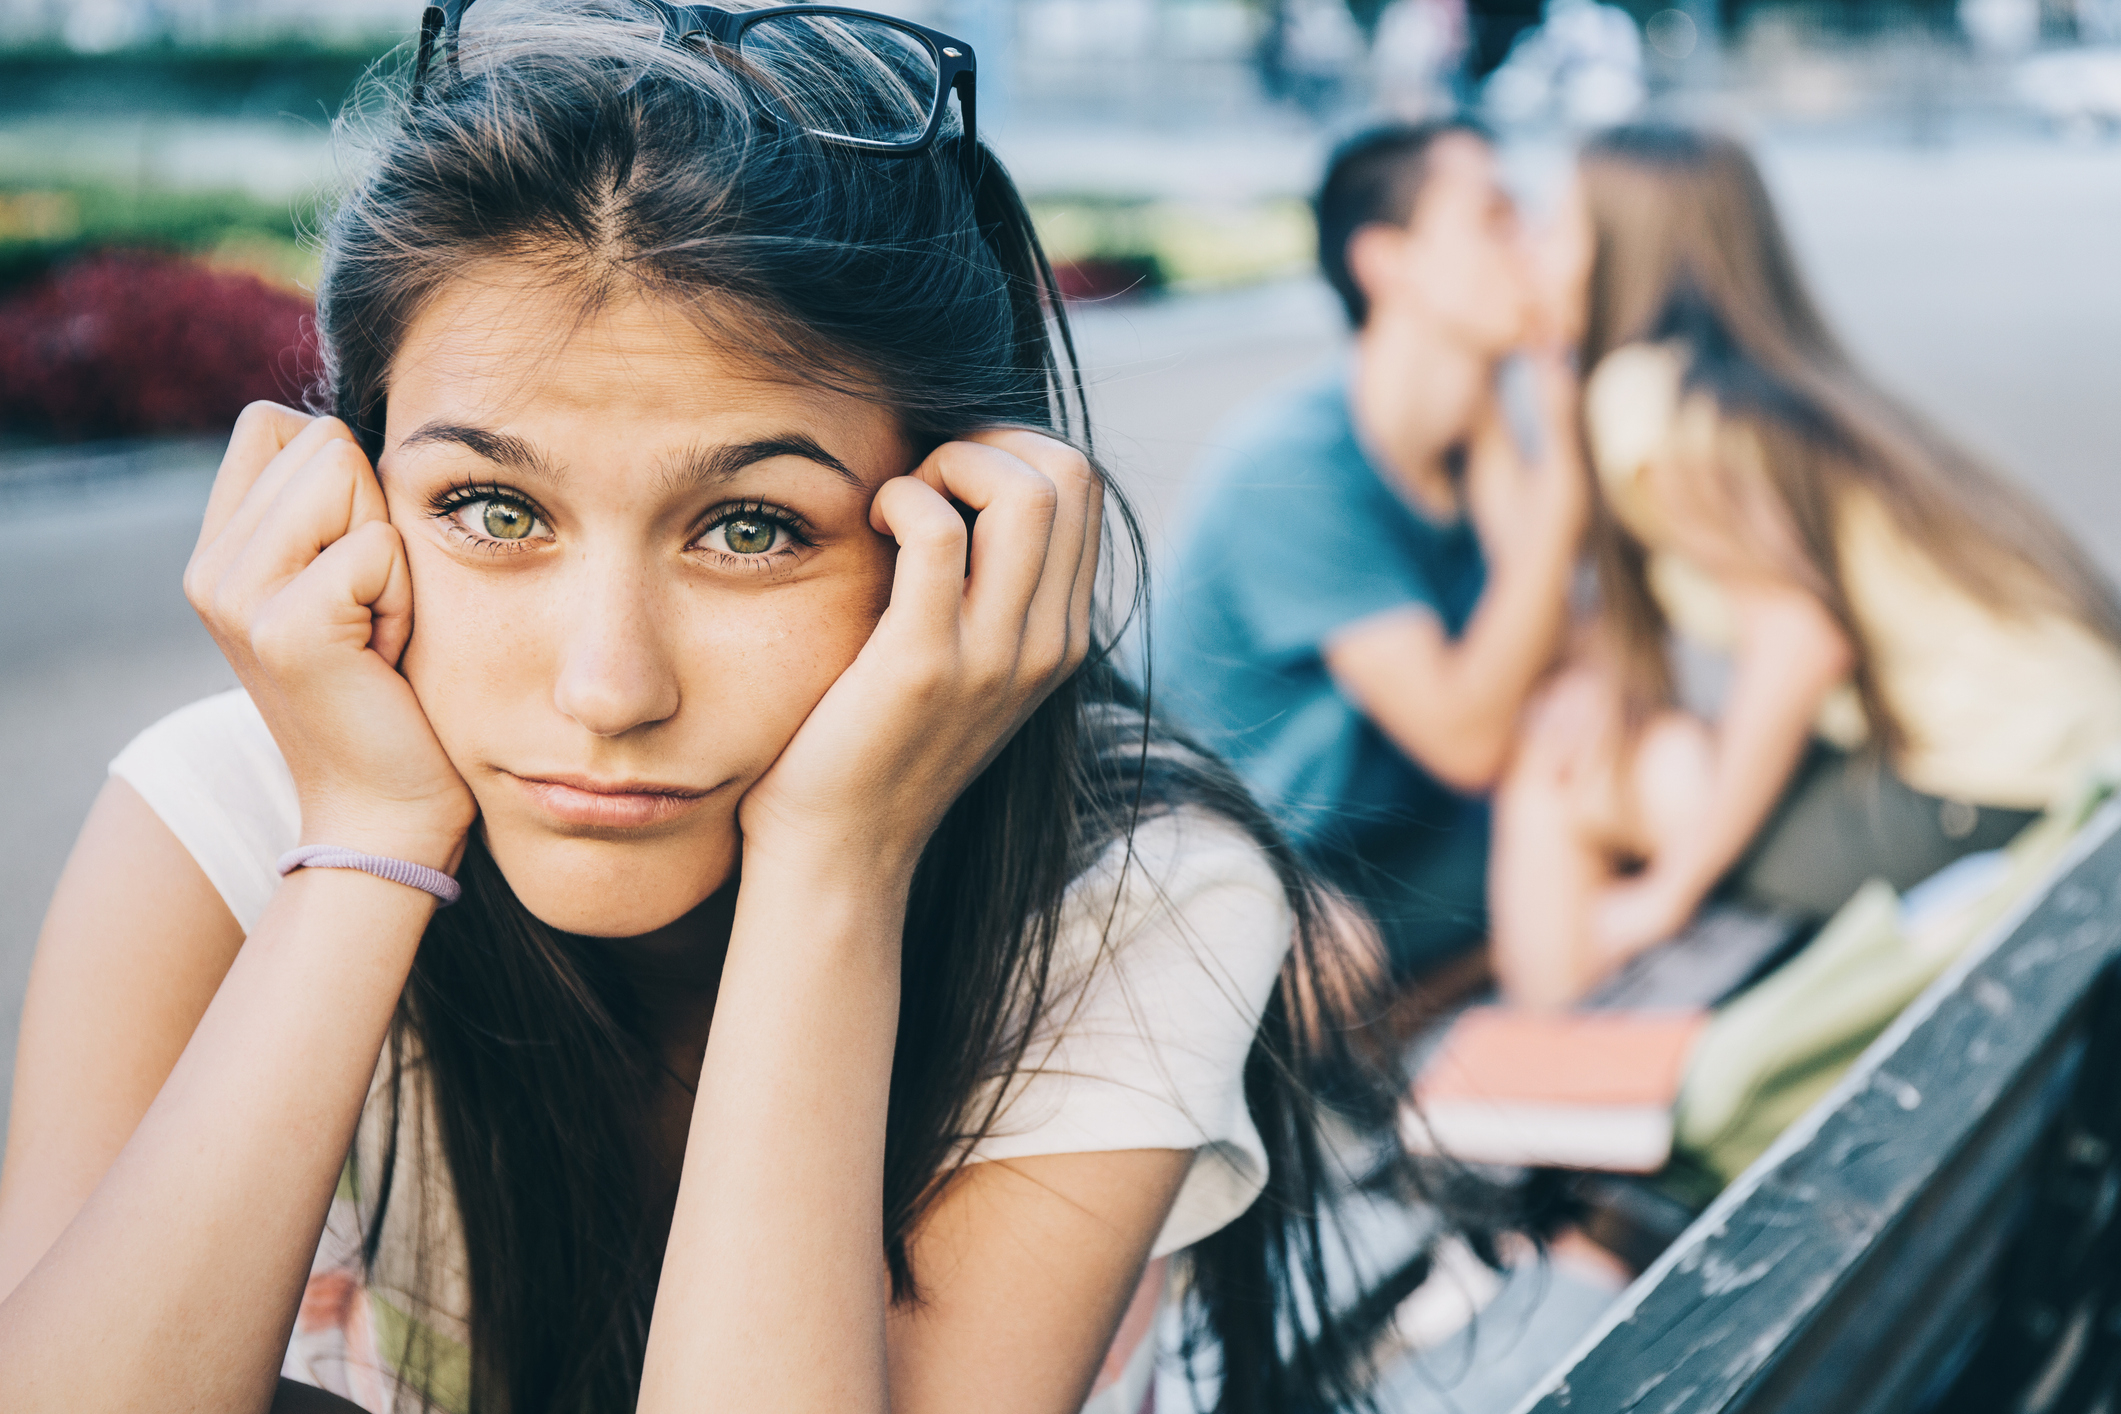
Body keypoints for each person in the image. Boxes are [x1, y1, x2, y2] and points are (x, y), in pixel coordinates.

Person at [0, 5, 1441, 1410]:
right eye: (492, 508)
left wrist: (838, 864)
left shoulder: (1126, 896)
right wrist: (368, 844)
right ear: (348, 499)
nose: (608, 687)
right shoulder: (221, 822)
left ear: (961, 533)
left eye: (750, 526)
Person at [1493, 124, 2121, 1009]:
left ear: (1623, 246)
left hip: (1997, 795)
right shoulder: (1766, 387)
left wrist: (1667, 891)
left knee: (1566, 773)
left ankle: (1539, 1086)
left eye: (1558, 227)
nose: (1535, 253)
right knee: (1618, 742)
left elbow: (1797, 643)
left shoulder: (1645, 395)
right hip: (2062, 767)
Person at [1155, 118, 1587, 983]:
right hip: (1238, 873)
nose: (1530, 244)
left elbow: (1581, 680)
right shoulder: (1293, 467)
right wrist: (1567, 483)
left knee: (1607, 775)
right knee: (1330, 960)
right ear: (1385, 262)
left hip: (1398, 846)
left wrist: (1514, 440)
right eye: (1496, 217)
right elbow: (1468, 738)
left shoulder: (1484, 455)